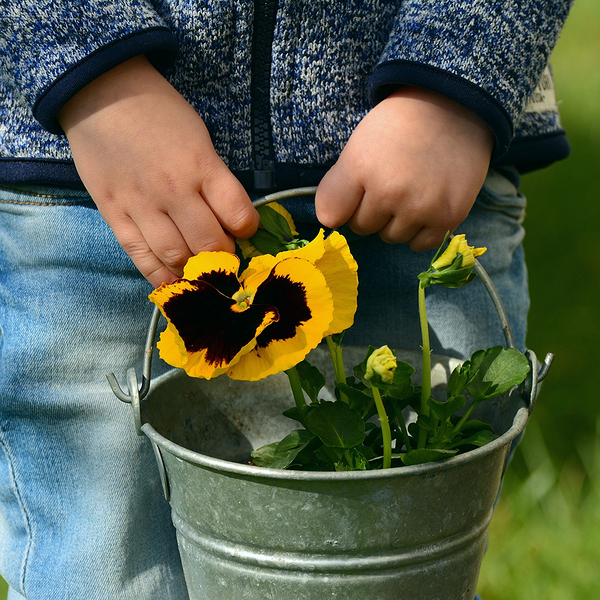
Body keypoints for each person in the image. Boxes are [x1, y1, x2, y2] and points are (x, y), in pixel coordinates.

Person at [0, 2, 572, 598]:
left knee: (411, 559)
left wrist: (458, 76)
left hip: (423, 165)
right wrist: (92, 72)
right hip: (104, 170)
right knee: (102, 566)